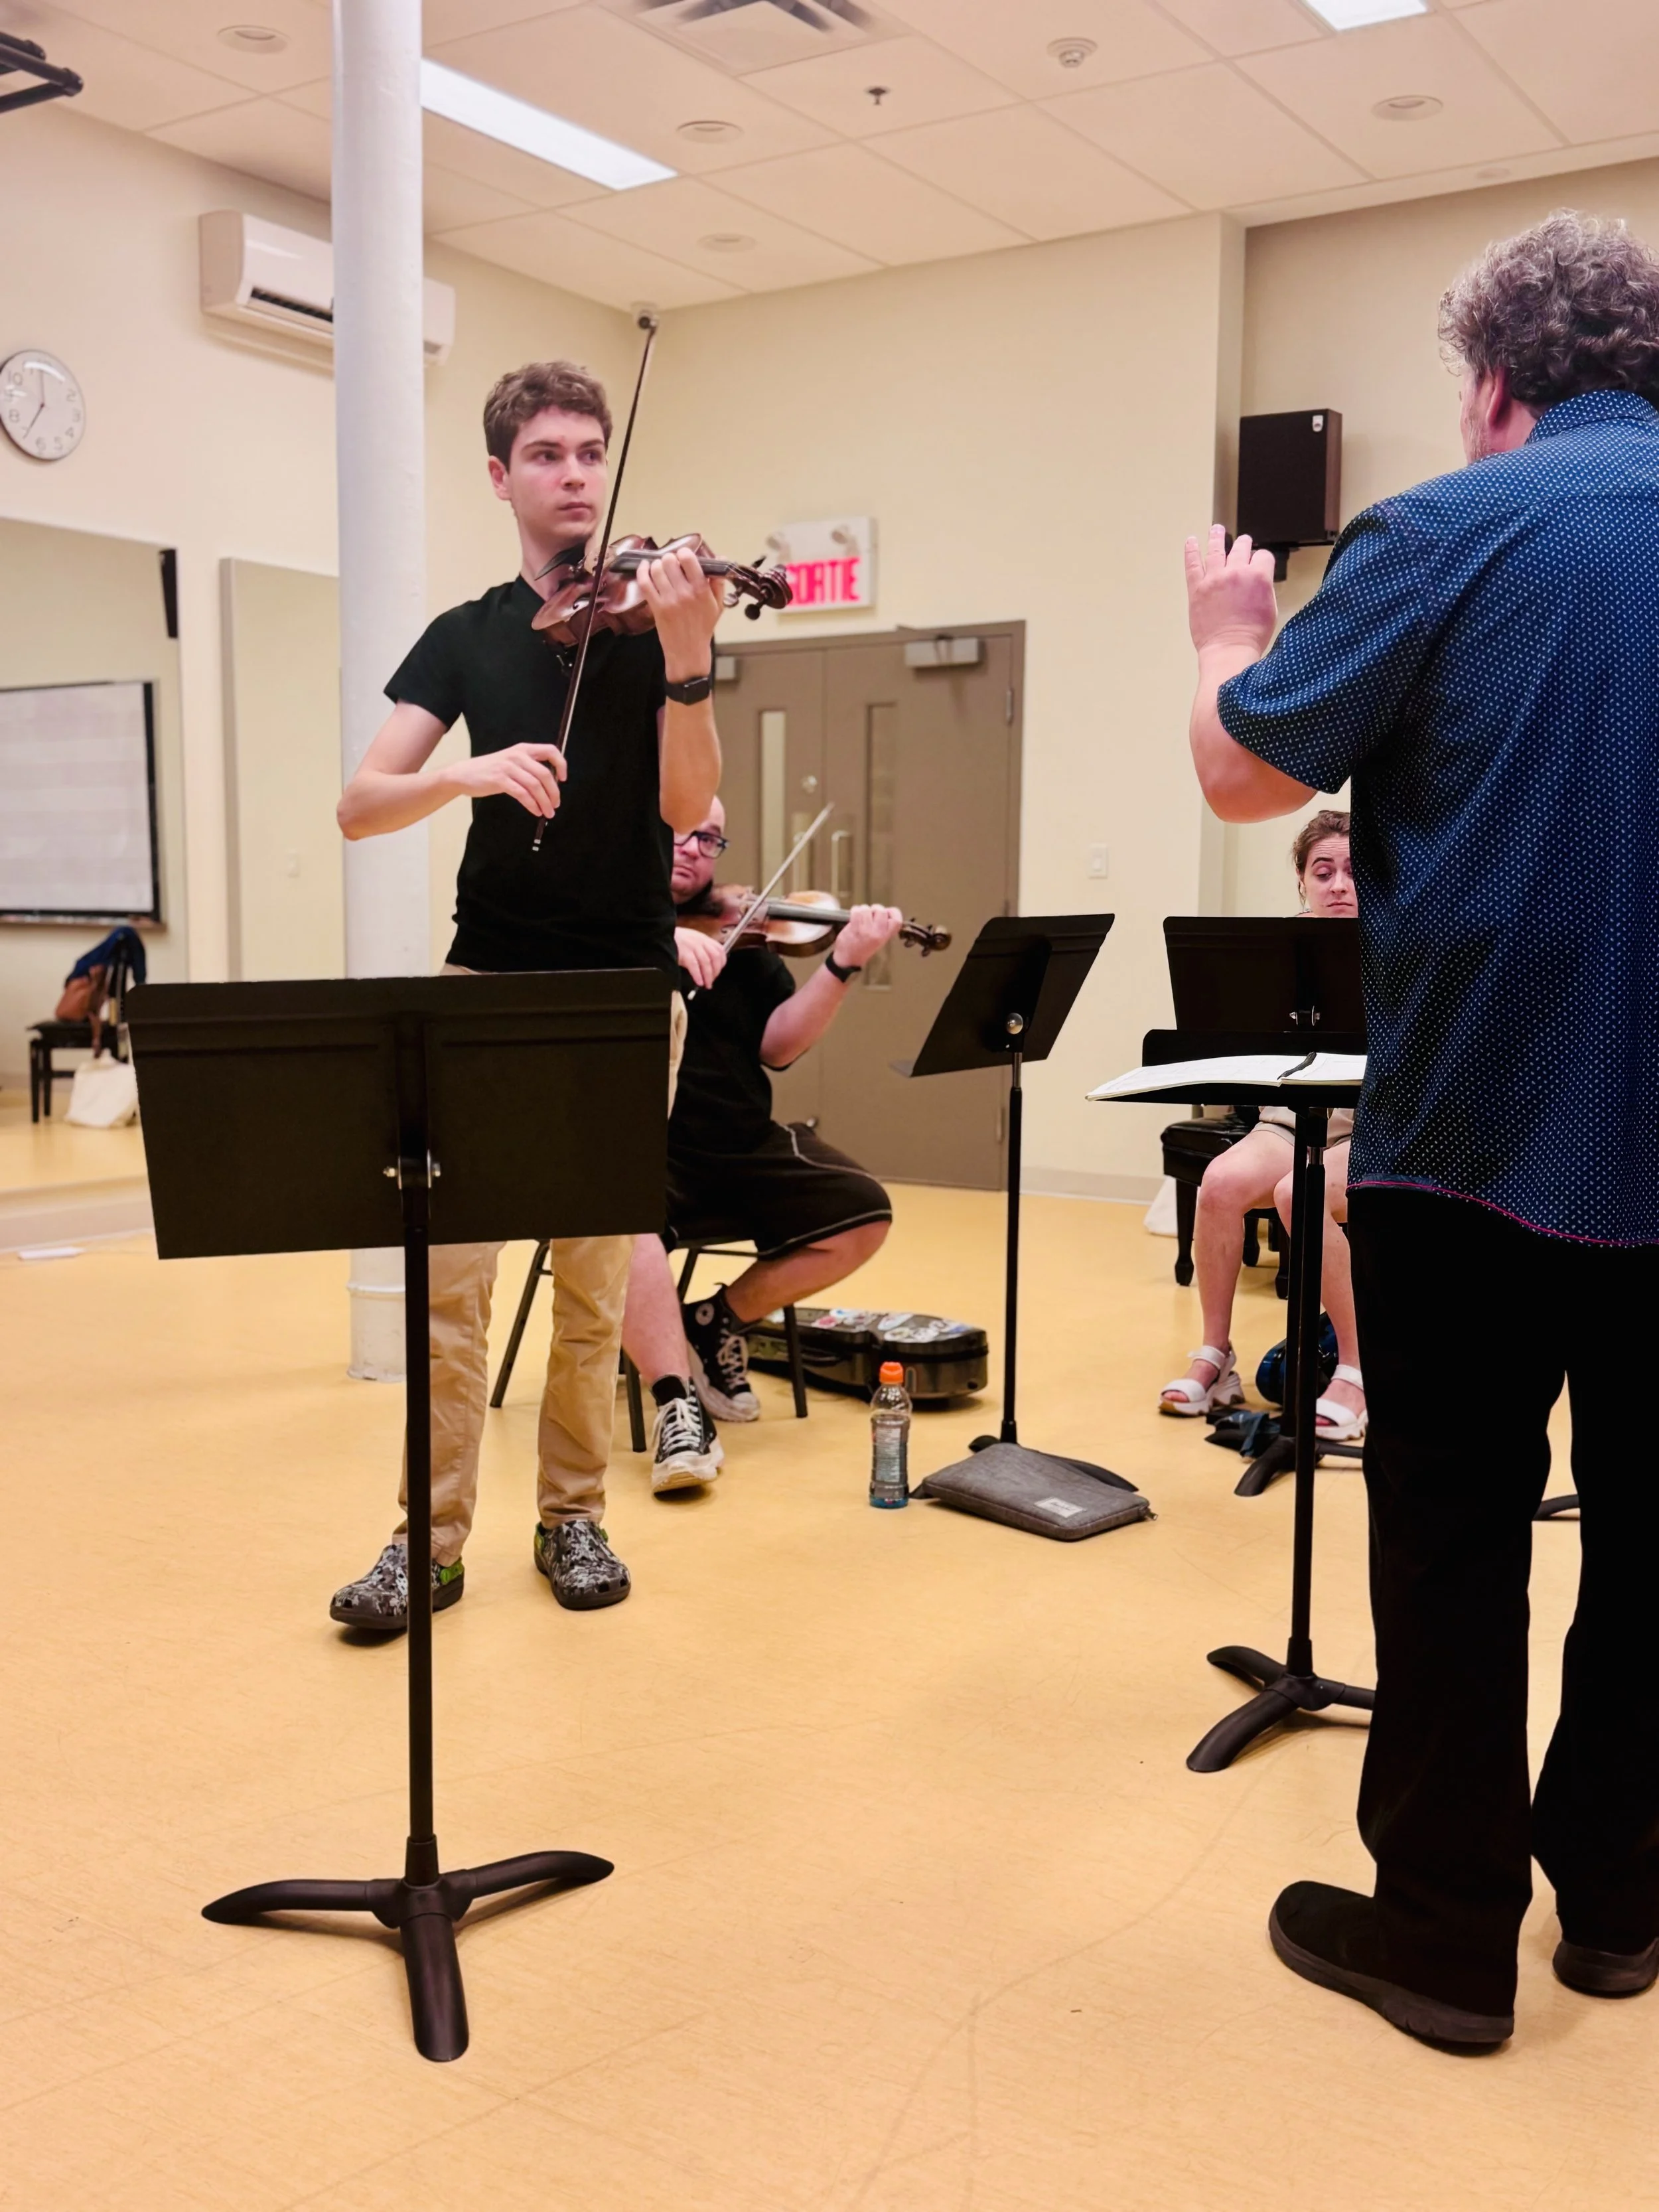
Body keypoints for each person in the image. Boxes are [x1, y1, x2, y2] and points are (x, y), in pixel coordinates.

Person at [1183, 210, 1659, 2051]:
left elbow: (1243, 770)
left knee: (1454, 1528)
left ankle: (1448, 1936)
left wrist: (1229, 633)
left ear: (1490, 384)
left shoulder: (1447, 528)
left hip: (1472, 1139)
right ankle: (1616, 1904)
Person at [328, 358, 724, 1628]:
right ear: (501, 476)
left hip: (619, 988)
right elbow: (358, 805)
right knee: (451, 1279)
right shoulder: (469, 635)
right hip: (485, 981)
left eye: (589, 454)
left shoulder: (656, 622)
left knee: (594, 1278)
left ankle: (575, 1520)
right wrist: (468, 774)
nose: (573, 476)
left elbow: (683, 807)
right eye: (547, 454)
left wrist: (689, 654)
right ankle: (427, 1538)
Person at [620, 798, 902, 1491]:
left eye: (710, 837)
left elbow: (778, 1048)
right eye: (680, 831)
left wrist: (841, 963)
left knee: (864, 1214)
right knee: (622, 1218)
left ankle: (715, 1322)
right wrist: (657, 943)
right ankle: (673, 1397)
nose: (693, 848)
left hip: (739, 1141)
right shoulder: (607, 921)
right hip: (642, 1146)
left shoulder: (743, 937)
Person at [1158, 810, 1365, 1440]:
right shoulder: (1281, 948)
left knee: (1297, 1193)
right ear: (1301, 882)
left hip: (1369, 1125)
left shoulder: (1399, 940)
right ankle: (1216, 1357)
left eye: (1352, 871)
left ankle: (1358, 1370)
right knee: (1220, 1183)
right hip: (1288, 1117)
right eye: (1321, 871)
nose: (1337, 884)